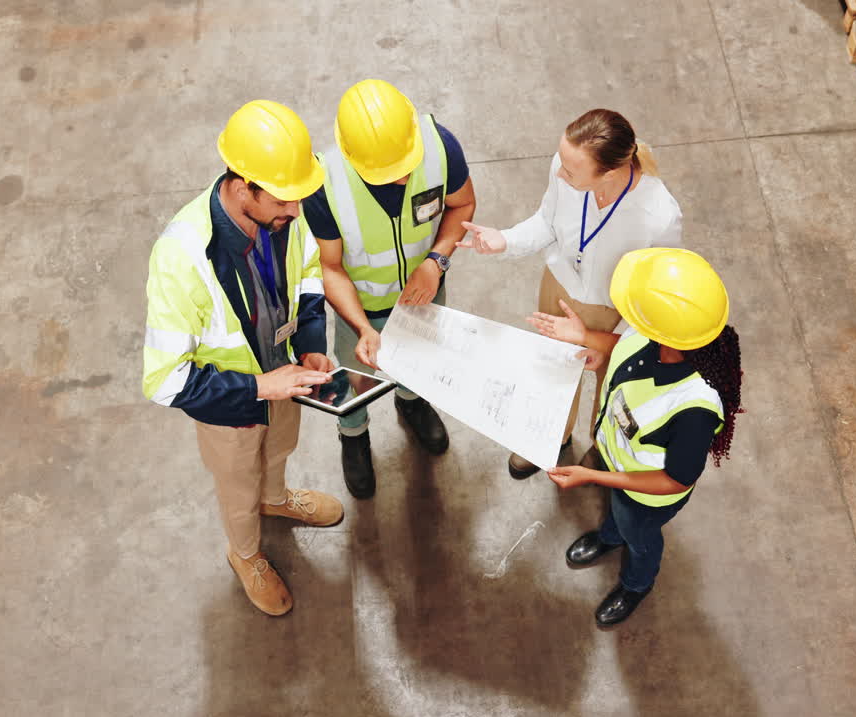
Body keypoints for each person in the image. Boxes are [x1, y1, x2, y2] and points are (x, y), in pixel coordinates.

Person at [141, 100, 345, 617]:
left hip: (287, 378)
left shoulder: (283, 218)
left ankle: (275, 499)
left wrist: (313, 345)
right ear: (241, 185)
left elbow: (306, 279)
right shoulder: (180, 256)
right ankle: (246, 553)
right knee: (238, 485)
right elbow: (163, 381)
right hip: (230, 408)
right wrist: (259, 388)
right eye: (284, 198)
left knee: (278, 452)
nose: (296, 210)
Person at [458, 109, 682, 479]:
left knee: (610, 386)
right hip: (560, 288)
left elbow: (653, 295)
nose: (560, 173)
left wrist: (605, 341)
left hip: (615, 313)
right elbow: (548, 221)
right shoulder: (566, 168)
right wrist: (505, 241)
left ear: (609, 173)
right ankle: (551, 436)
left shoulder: (658, 216)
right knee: (552, 368)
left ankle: (601, 445)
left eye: (571, 171)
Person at [533, 248, 742, 627]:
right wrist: (593, 346)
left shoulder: (695, 410)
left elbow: (674, 479)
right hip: (619, 466)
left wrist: (594, 477)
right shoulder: (658, 335)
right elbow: (625, 348)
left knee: (639, 535)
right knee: (617, 513)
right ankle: (609, 536)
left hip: (648, 497)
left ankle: (636, 583)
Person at [302, 79, 477, 499]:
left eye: (404, 165)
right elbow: (330, 267)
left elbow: (462, 205)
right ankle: (353, 432)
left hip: (425, 294)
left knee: (419, 360)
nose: (401, 178)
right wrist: (363, 328)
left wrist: (436, 262)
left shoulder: (440, 145)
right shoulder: (324, 184)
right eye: (387, 173)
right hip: (360, 308)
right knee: (354, 379)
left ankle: (411, 400)